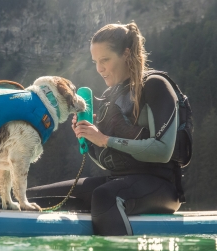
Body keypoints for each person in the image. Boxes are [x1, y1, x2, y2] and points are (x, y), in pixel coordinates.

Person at [27, 22, 182, 236]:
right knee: (29, 198)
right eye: (95, 62)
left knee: (104, 197)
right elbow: (107, 161)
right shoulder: (112, 97)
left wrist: (105, 140)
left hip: (161, 186)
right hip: (118, 181)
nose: (99, 68)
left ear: (126, 54)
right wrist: (89, 139)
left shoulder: (156, 86)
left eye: (105, 60)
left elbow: (164, 151)